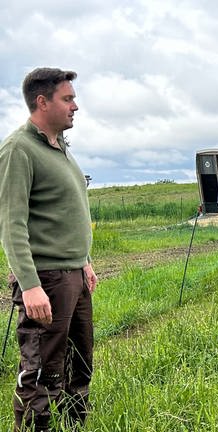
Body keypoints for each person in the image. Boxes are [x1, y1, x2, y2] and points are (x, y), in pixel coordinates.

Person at [0, 68, 98, 431]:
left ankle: (73, 425)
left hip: (74, 276)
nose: (76, 106)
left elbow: (66, 213)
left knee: (79, 363)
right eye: (67, 99)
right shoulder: (18, 149)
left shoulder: (61, 150)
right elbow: (10, 224)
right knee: (40, 369)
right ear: (42, 102)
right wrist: (29, 285)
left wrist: (84, 262)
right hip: (46, 279)